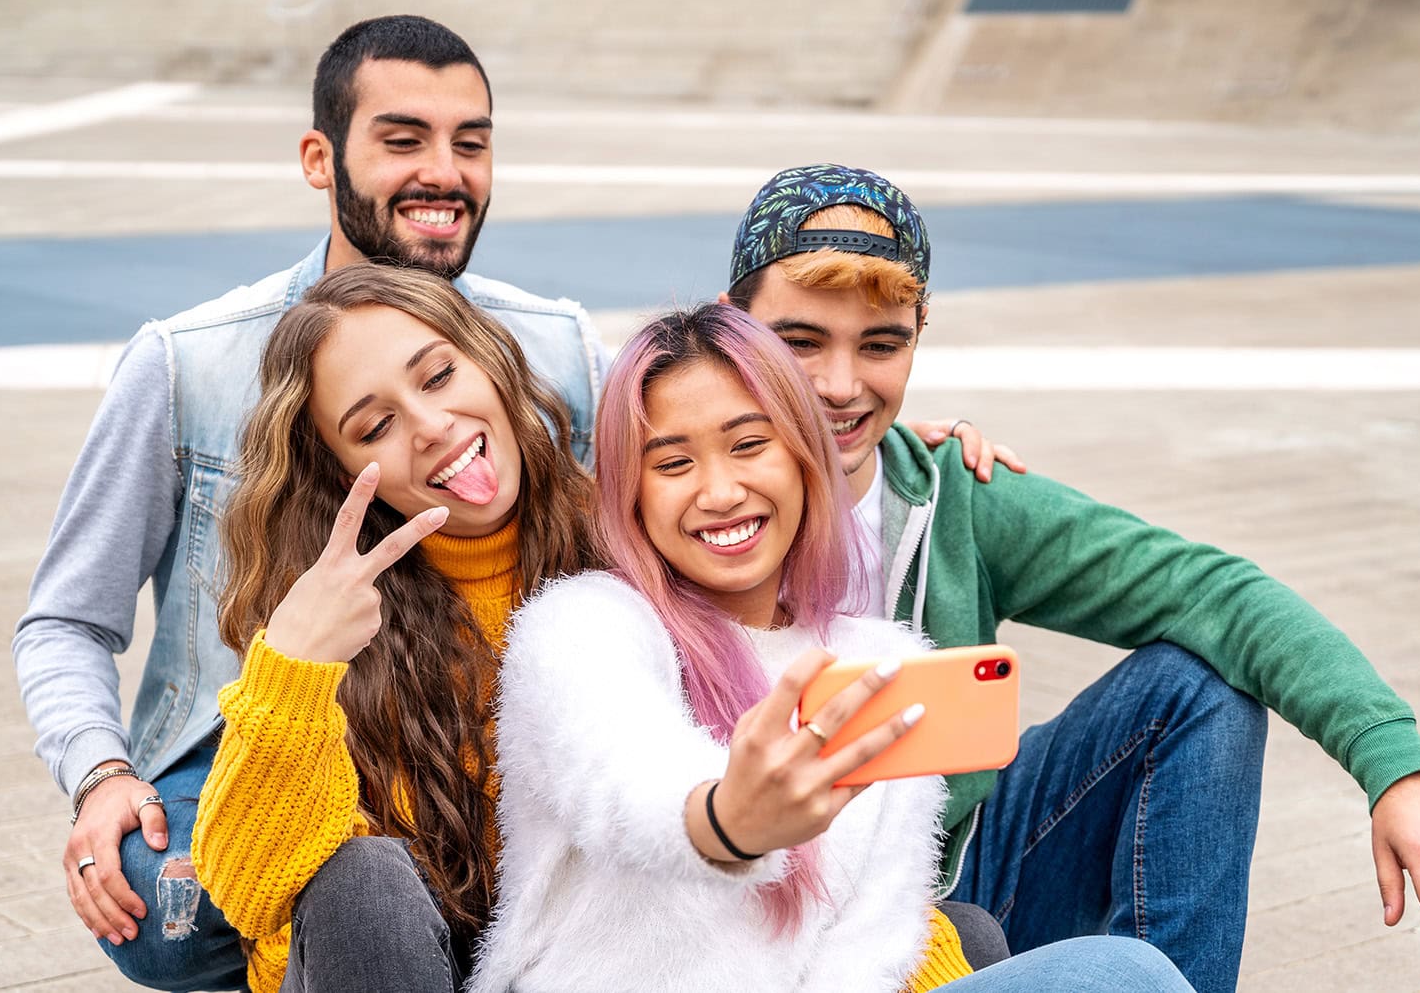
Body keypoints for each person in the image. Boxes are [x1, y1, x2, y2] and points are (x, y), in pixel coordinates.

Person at [718, 163, 1420, 992]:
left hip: (940, 887)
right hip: (750, 919)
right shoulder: (661, 486)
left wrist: (1399, 768)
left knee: (1199, 685)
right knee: (1122, 977)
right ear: (734, 326)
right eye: (800, 342)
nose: (840, 386)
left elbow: (1215, 593)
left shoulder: (951, 496)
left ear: (919, 334)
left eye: (881, 344)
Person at [11, 15, 608, 990]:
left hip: (488, 741)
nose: (444, 173)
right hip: (269, 722)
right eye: (403, 139)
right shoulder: (190, 360)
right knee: (174, 904)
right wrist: (99, 774)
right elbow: (65, 620)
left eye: (472, 142)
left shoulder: (555, 346)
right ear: (319, 158)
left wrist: (875, 435)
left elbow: (707, 432)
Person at [465, 303, 1194, 993]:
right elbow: (618, 777)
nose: (719, 490)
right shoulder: (584, 623)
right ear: (632, 493)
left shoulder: (881, 661)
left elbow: (866, 952)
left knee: (1124, 971)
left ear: (806, 459)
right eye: (673, 462)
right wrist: (725, 819)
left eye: (750, 444)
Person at [187, 261, 598, 992]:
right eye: (376, 425)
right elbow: (245, 890)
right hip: (394, 964)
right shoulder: (329, 614)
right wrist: (295, 663)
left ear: (491, 360)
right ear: (344, 472)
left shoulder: (618, 538)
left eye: (438, 376)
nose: (433, 426)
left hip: (577, 959)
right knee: (364, 878)